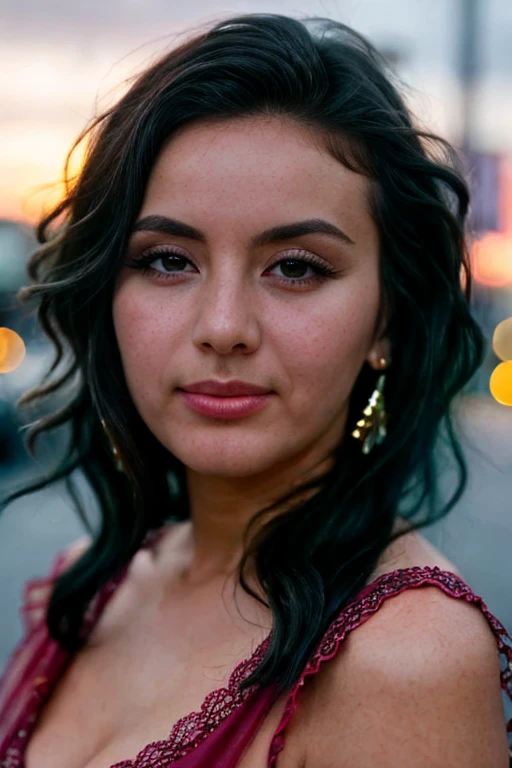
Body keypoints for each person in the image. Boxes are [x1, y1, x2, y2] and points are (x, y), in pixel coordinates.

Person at [0, 12, 511, 768]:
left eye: (297, 266)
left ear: (387, 323)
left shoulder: (404, 659)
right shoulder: (91, 588)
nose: (224, 326)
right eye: (168, 260)